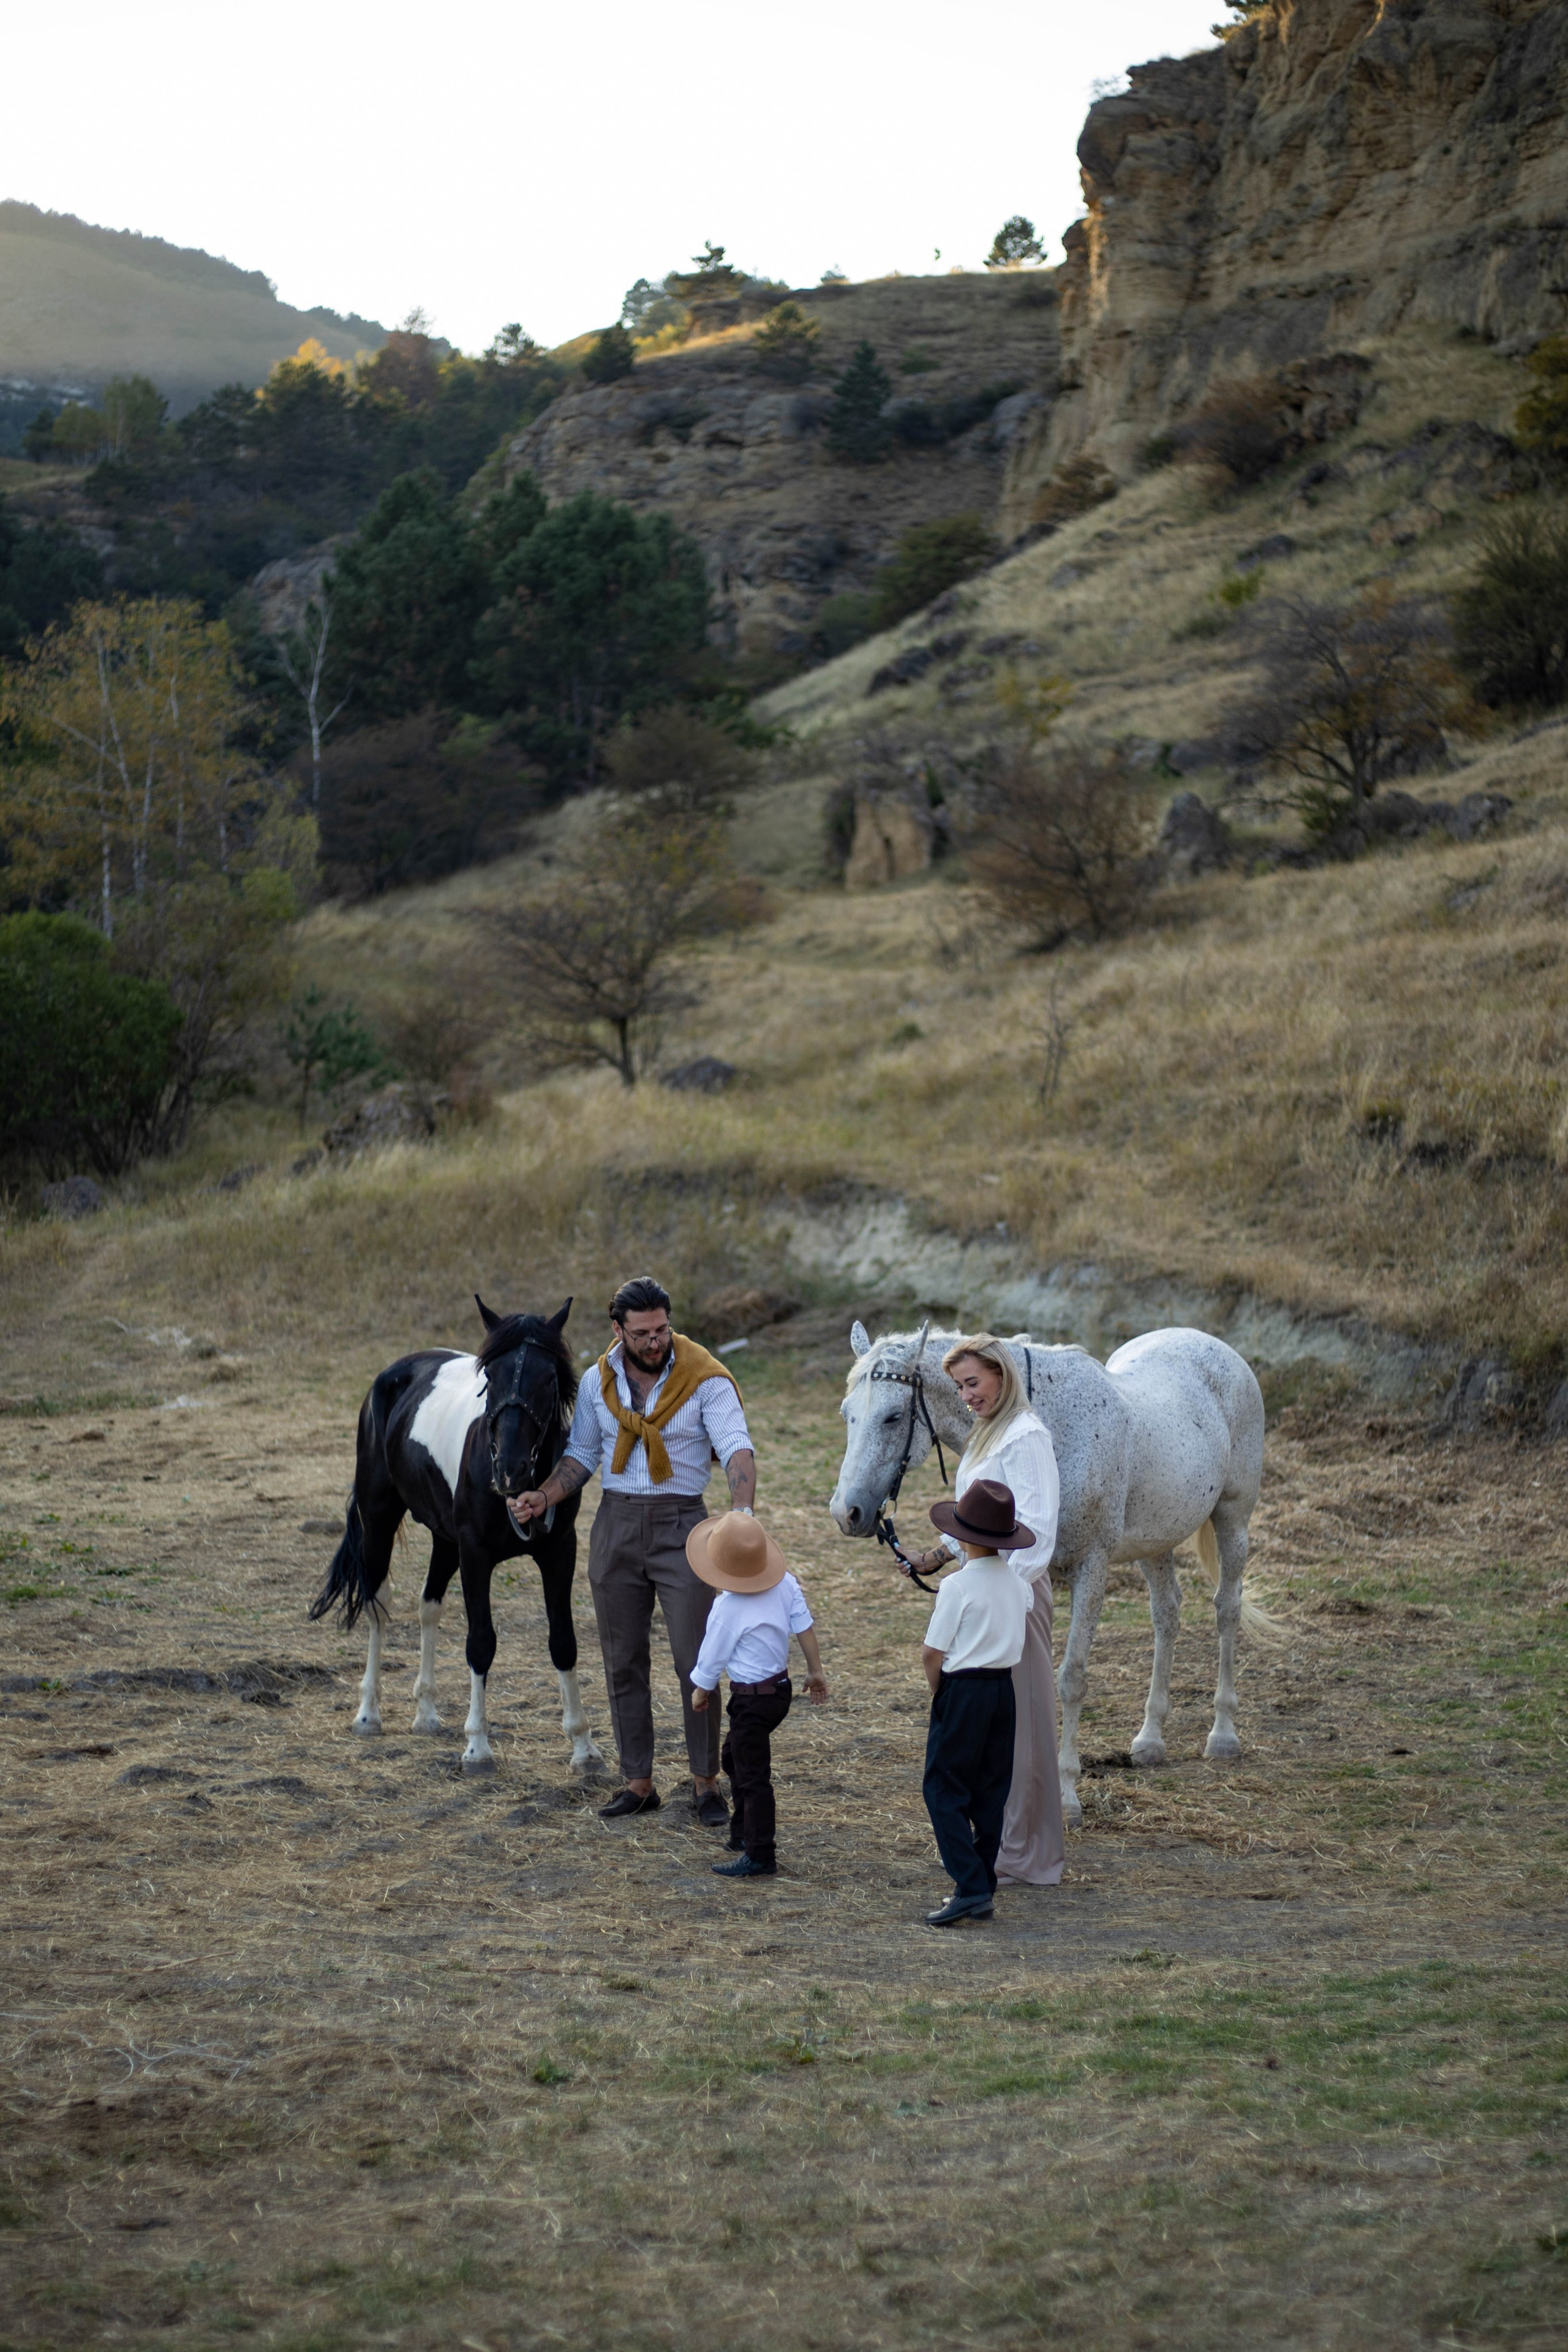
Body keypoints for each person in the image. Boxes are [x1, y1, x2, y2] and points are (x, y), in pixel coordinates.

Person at [508, 1275, 756, 1828]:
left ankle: (706, 1783)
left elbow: (737, 1448)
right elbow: (581, 1454)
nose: (654, 1341)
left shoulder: (705, 1377)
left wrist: (742, 1513)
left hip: (684, 1526)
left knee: (698, 1661)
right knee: (623, 1660)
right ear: (618, 1330)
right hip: (616, 1524)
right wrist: (543, 1496)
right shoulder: (598, 1381)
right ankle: (638, 1783)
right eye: (642, 1333)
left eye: (662, 1330)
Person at [893, 1333, 1066, 1888]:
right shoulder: (989, 1430)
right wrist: (935, 1557)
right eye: (959, 1387)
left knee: (1024, 1726)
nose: (967, 1396)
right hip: (992, 1587)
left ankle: (1027, 1853)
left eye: (973, 1383)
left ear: (1002, 1374)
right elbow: (981, 1522)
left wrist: (999, 1593)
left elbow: (1037, 1533)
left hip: (1016, 1595)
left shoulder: (1026, 1436)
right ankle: (998, 1849)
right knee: (995, 1731)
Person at [919, 1478, 1035, 1927]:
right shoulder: (1019, 1585)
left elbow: (932, 1652)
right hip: (1003, 1691)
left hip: (963, 1690)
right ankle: (982, 1883)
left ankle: (969, 1887)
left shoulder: (957, 1586)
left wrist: (940, 1693)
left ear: (964, 1537)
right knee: (990, 1791)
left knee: (943, 1789)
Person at [687, 1512, 828, 1879]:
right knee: (733, 1758)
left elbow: (712, 1657)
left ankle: (760, 1854)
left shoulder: (728, 1608)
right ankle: (742, 1832)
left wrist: (701, 1690)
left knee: (753, 1777)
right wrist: (815, 1671)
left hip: (750, 1701)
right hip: (779, 1693)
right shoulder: (786, 1584)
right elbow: (804, 1625)